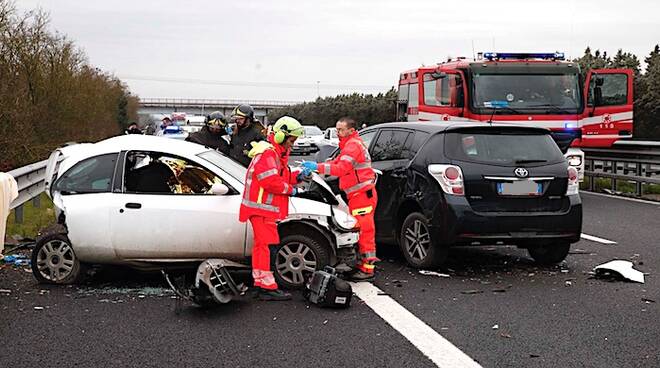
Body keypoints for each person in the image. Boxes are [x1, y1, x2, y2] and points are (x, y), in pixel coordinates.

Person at [239, 116, 309, 301]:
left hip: (264, 210)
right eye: (291, 141)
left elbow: (280, 176)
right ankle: (266, 287)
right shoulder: (269, 153)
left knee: (264, 246)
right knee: (267, 246)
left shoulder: (274, 153)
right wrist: (291, 190)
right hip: (262, 210)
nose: (292, 145)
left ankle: (262, 283)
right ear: (280, 137)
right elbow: (270, 181)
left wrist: (299, 176)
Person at [301, 117, 377, 281]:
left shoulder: (352, 146)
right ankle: (361, 265)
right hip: (359, 195)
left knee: (364, 233)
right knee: (360, 230)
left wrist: (317, 167)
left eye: (341, 130)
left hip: (362, 195)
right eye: (336, 129)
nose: (337, 133)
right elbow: (336, 162)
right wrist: (321, 167)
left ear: (351, 130)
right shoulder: (349, 144)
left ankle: (367, 269)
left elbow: (341, 168)